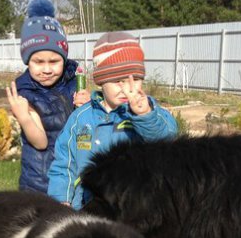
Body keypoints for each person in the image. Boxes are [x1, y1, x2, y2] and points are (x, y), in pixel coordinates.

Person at [47, 31, 178, 209]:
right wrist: (61, 200)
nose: (127, 88)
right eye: (118, 81)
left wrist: (145, 115)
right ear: (101, 81)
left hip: (135, 208)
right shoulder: (81, 118)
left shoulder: (149, 113)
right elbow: (65, 163)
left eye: (135, 79)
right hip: (88, 207)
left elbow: (167, 140)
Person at [6, 0, 90, 194]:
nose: (46, 69)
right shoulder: (26, 93)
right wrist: (24, 117)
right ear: (27, 61)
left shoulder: (73, 80)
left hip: (72, 174)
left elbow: (86, 126)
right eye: (38, 62)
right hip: (41, 181)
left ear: (64, 59)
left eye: (54, 62)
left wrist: (87, 103)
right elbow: (40, 142)